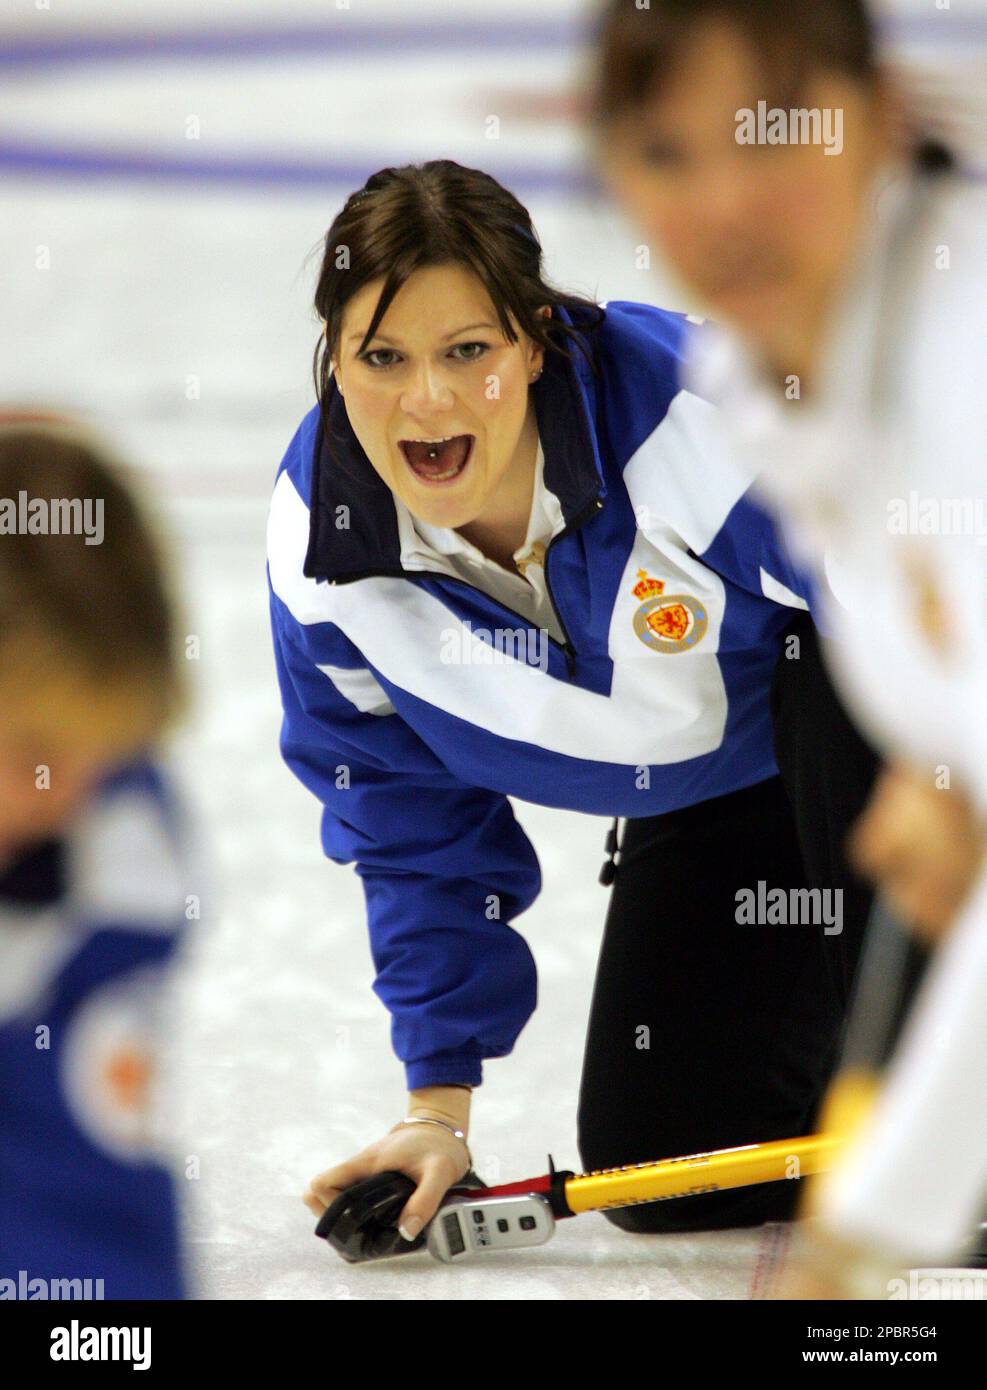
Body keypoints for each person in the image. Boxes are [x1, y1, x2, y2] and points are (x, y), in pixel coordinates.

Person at [266, 159, 882, 1247]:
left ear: (535, 339)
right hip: (719, 795)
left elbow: (930, 626)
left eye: (470, 351)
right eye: (384, 358)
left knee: (854, 657)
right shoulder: (321, 556)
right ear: (333, 365)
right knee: (670, 1162)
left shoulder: (699, 415)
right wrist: (436, 1109)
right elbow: (407, 823)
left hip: (874, 746)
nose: (429, 400)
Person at [592, 0, 987, 1283]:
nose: (721, 204)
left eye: (774, 135)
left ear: (879, 124)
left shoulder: (959, 370)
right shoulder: (771, 382)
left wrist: (877, 1214)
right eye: (666, 152)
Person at [0, 414, 192, 1299]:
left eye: (102, 752)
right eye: (32, 747)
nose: (59, 798)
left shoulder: (118, 877)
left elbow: (80, 1223)